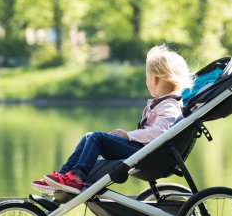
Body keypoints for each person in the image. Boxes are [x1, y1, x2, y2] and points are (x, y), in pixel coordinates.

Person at [31, 45, 191, 195]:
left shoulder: (169, 106)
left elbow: (158, 134)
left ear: (155, 79)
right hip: (143, 150)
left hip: (146, 154)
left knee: (97, 138)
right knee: (89, 137)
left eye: (147, 77)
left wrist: (128, 135)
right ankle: (63, 175)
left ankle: (77, 177)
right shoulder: (165, 103)